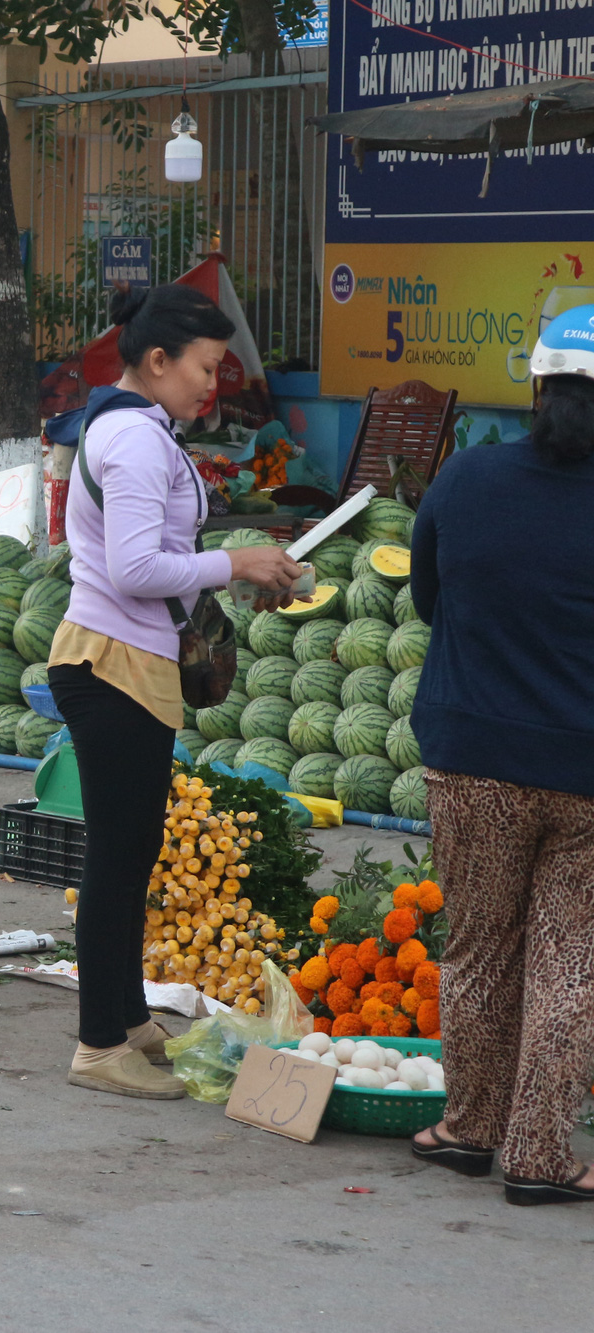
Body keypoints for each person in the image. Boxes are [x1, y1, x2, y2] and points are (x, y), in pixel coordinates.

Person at [46, 282, 303, 1100]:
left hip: (128, 661)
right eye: (205, 366)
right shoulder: (134, 443)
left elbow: (156, 562)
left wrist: (241, 573)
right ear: (156, 361)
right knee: (118, 859)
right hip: (110, 665)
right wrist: (237, 562)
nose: (212, 384)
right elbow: (134, 569)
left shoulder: (139, 431)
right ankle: (98, 1045)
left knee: (133, 852)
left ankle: (128, 1020)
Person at [405, 303, 594, 1206]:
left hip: (472, 752)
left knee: (479, 947)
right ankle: (542, 1158)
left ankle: (469, 1128)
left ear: (534, 386)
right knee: (571, 956)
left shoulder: (467, 478)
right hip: (588, 774)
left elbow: (427, 597)